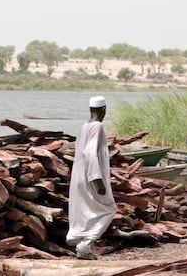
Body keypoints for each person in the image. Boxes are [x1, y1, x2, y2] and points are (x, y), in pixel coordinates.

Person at [66, 95, 116, 260]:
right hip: (91, 177)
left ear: (90, 109)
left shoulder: (84, 126)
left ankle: (85, 248)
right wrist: (97, 179)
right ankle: (86, 244)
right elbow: (89, 153)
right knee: (108, 209)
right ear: (103, 110)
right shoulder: (97, 126)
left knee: (87, 210)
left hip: (79, 176)